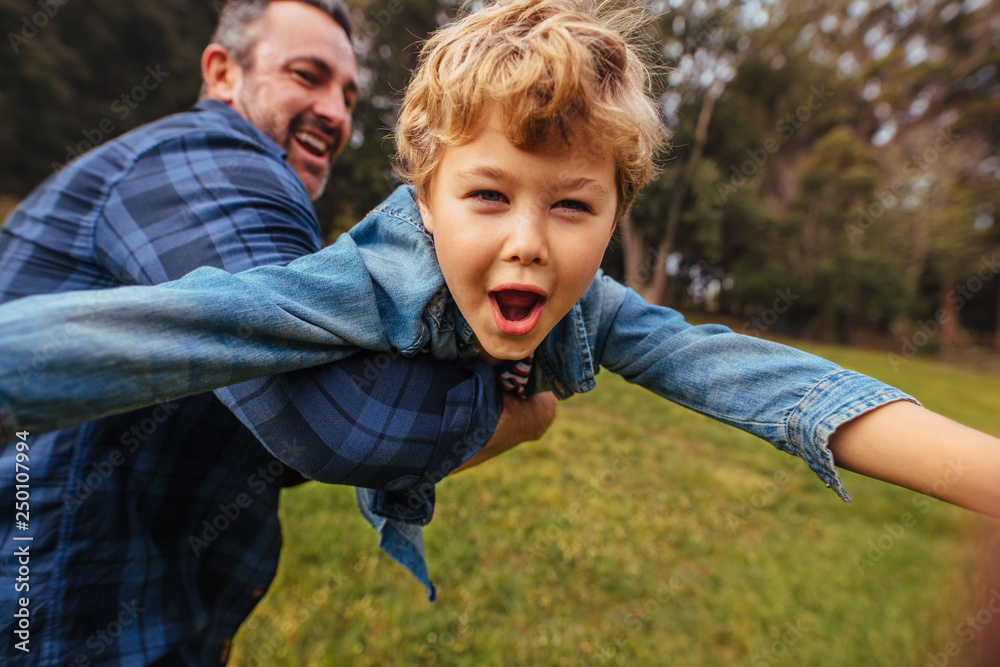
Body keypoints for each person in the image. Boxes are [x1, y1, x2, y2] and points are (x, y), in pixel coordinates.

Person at [2, 0, 1000, 619]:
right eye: (489, 196)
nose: (528, 239)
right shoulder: (351, 282)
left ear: (616, 210)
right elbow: (163, 330)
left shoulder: (597, 307)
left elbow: (762, 381)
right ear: (423, 199)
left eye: (572, 205)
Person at [0, 0, 556, 664]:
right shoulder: (216, 160)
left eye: (348, 94)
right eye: (307, 75)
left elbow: (275, 437)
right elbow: (339, 416)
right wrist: (525, 412)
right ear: (221, 72)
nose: (336, 112)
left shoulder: (221, 191)